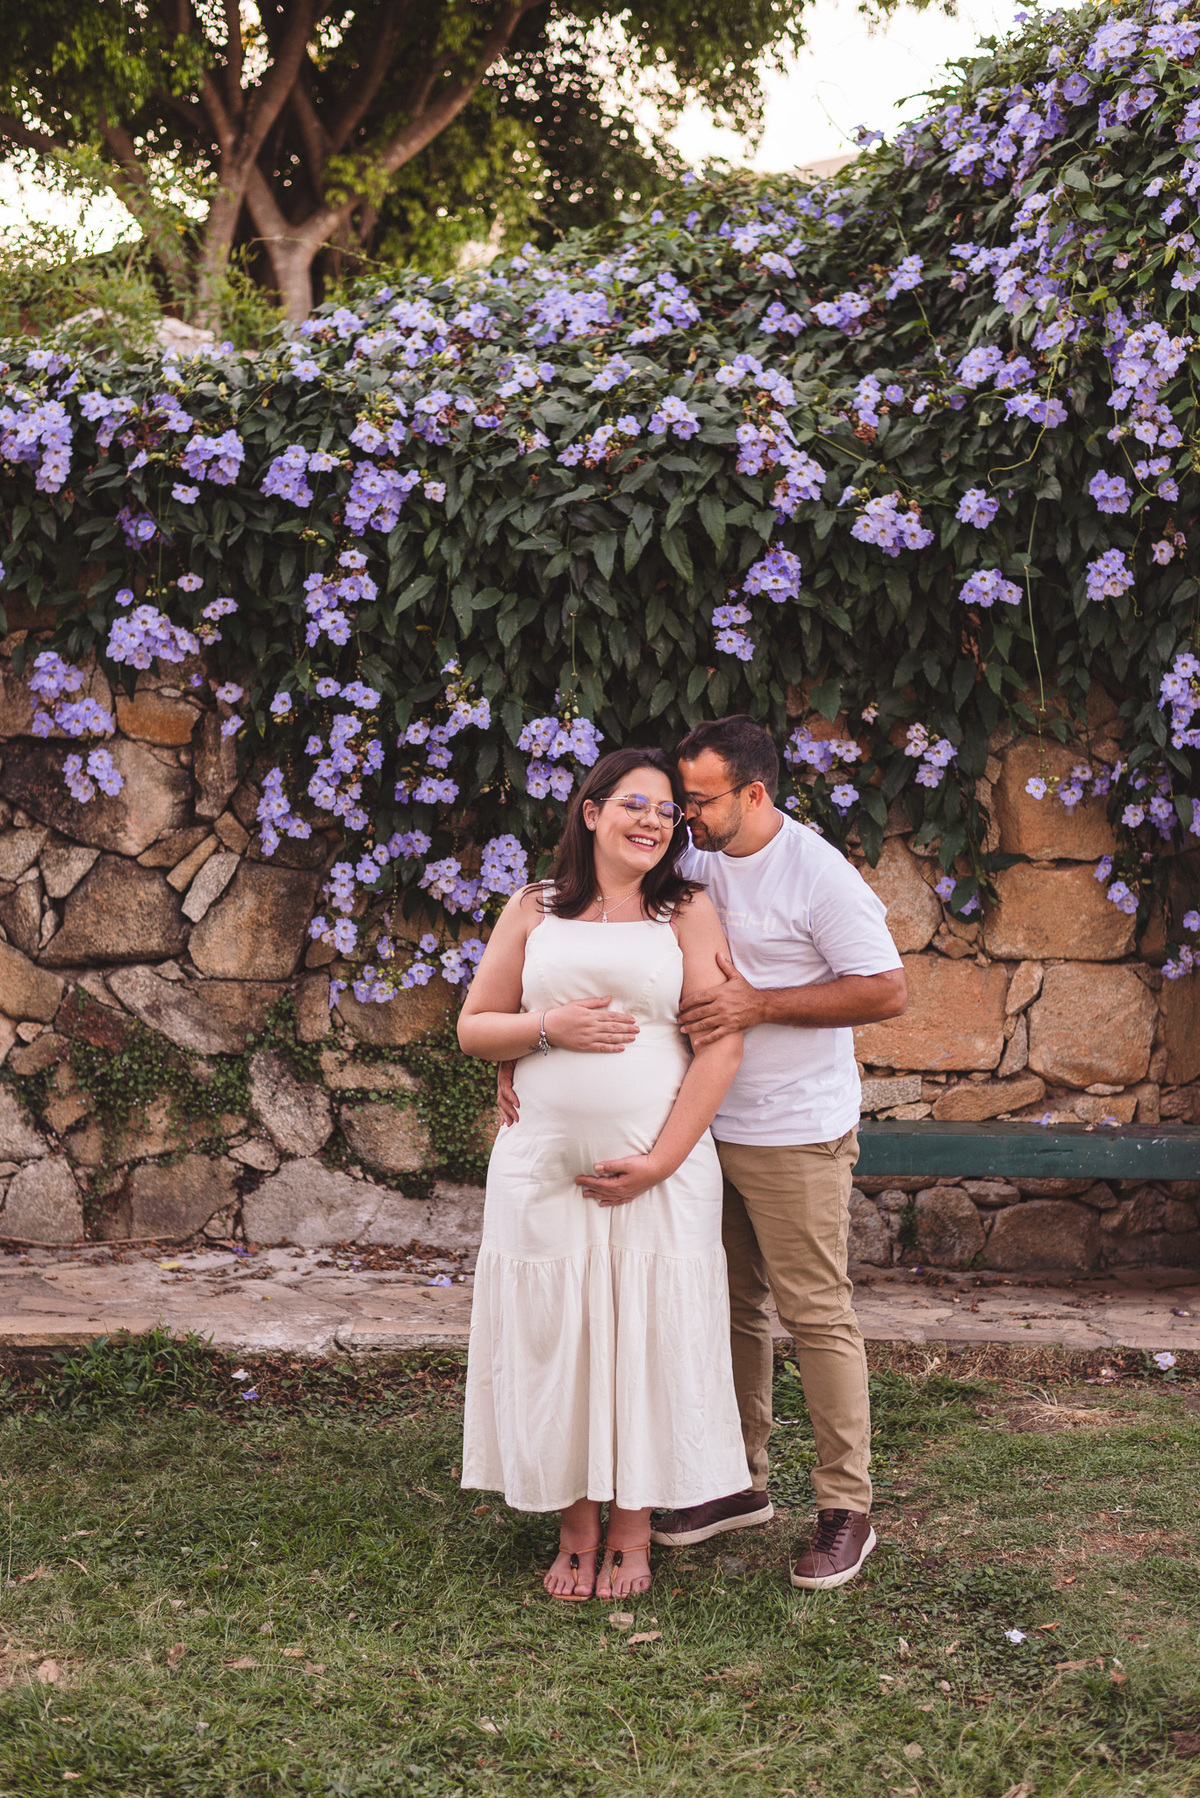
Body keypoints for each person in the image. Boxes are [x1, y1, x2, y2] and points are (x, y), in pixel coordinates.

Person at [457, 746, 748, 1603]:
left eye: (667, 812)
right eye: (636, 804)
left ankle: (634, 1527)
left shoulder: (686, 910)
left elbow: (720, 1043)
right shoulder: (533, 907)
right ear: (591, 812)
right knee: (561, 1341)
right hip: (541, 1169)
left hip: (661, 1172)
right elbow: (476, 1027)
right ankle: (575, 1526)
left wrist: (661, 1161)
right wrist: (546, 1030)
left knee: (648, 1339)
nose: (654, 822)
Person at [648, 713, 908, 1590]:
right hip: (705, 1124)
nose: (686, 815)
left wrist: (763, 1006)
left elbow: (887, 989)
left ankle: (846, 1509)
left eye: (700, 799)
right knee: (730, 1307)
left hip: (795, 1129)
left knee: (815, 1314)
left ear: (754, 793)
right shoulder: (695, 860)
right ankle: (735, 1482)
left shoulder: (817, 873)